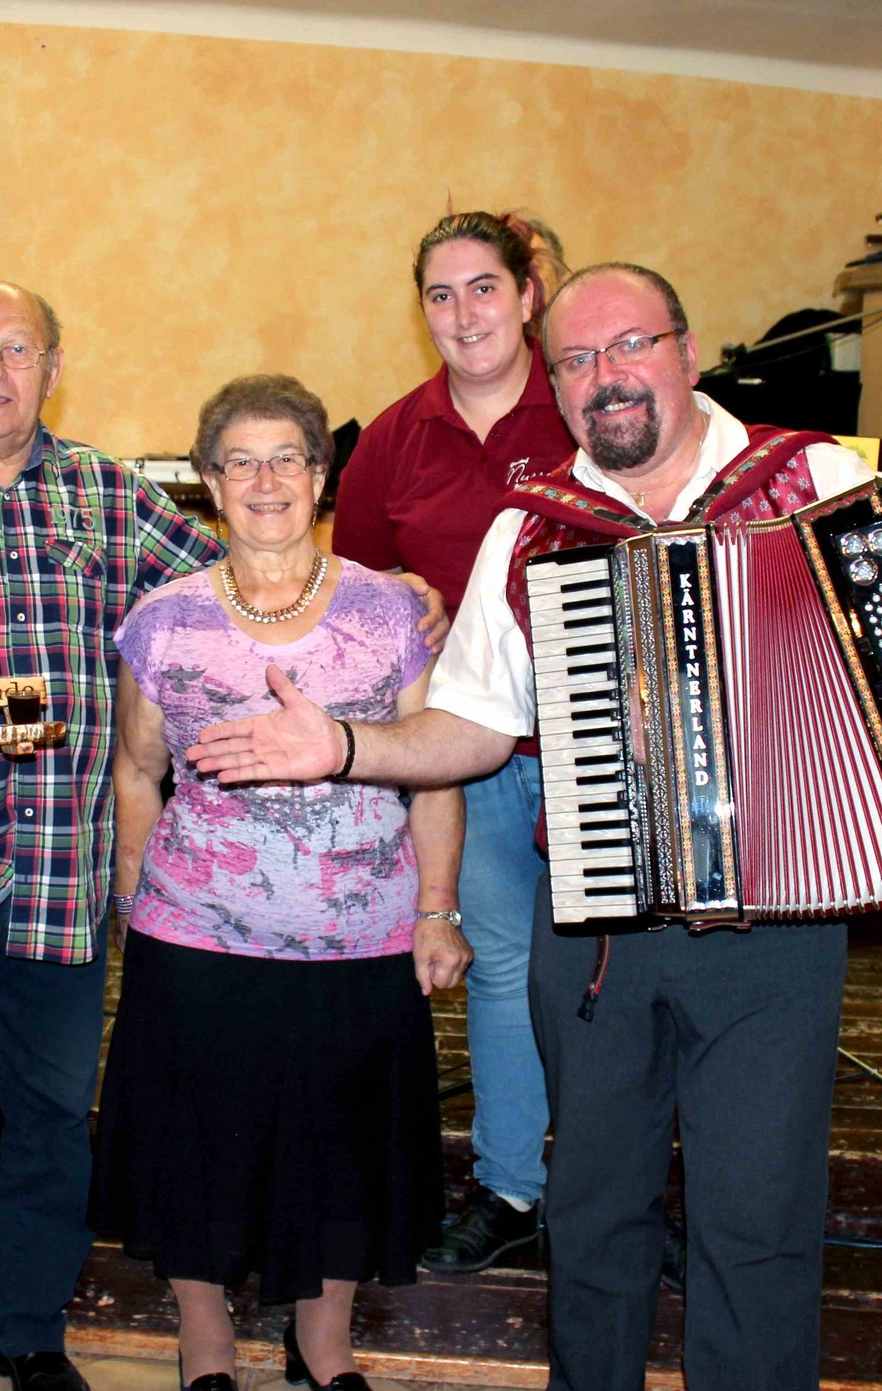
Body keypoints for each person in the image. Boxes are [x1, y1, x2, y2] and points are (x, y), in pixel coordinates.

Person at [184, 264, 882, 1391]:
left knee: (751, 1227)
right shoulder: (536, 530)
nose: (600, 377)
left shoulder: (818, 479)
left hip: (775, 931)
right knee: (590, 1201)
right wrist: (350, 747)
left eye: (626, 346)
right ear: (553, 381)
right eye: (574, 361)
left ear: (684, 351)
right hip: (601, 931)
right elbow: (470, 723)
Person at [0, 282, 451, 1391]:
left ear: (52, 368)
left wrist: (396, 587)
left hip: (67, 868)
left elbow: (254, 573)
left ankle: (27, 1333)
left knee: (53, 1113)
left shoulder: (107, 495)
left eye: (18, 350)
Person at [93, 375, 471, 1391]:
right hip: (196, 936)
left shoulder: (390, 611)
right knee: (198, 1148)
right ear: (209, 483)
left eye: (288, 458)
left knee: (343, 1148)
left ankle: (326, 1345)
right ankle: (204, 1343)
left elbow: (433, 771)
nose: (265, 481)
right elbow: (134, 771)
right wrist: (134, 902)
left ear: (321, 477)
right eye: (240, 461)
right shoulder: (160, 624)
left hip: (363, 933)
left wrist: (436, 910)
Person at [332, 211, 577, 1274]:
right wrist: (393, 597)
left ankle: (609, 1188)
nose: (462, 313)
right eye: (440, 294)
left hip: (591, 747)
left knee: (613, 973)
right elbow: (343, 593)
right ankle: (514, 1185)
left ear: (527, 295)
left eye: (483, 287)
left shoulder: (583, 402)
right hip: (465, 758)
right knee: (503, 967)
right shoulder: (391, 436)